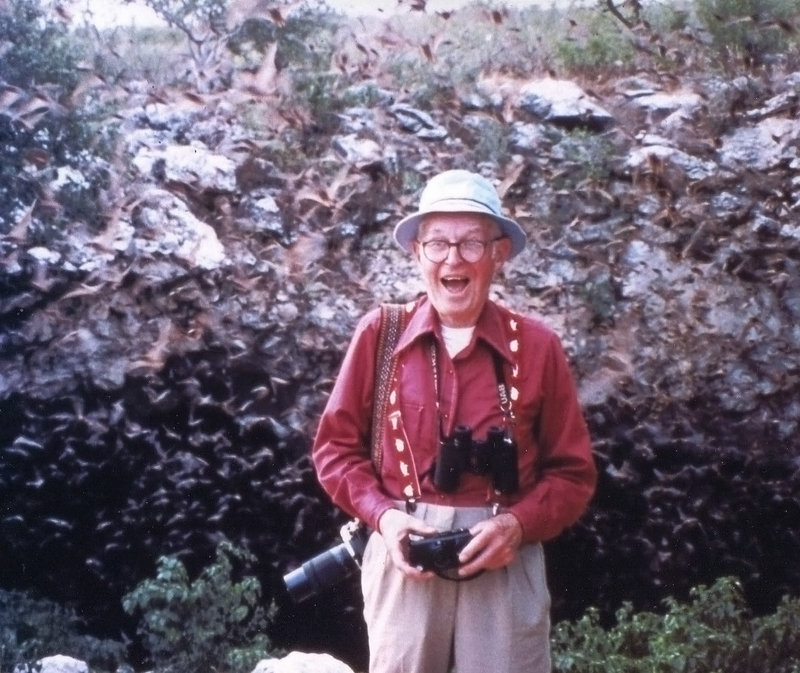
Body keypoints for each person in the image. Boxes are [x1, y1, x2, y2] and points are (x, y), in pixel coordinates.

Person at [312, 169, 597, 673]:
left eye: (470, 244)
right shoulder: (380, 334)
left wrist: (516, 524)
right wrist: (385, 515)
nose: (453, 259)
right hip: (405, 556)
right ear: (417, 253)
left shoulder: (536, 347)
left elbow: (573, 475)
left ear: (498, 252)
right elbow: (334, 450)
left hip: (506, 558)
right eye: (438, 243)